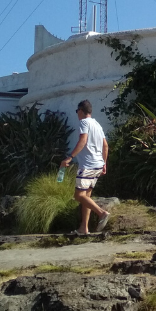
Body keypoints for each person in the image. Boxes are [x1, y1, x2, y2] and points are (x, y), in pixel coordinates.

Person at [60, 100, 111, 234]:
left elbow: (83, 140)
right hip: (98, 165)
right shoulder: (97, 125)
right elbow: (105, 146)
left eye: (77, 111)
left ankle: (102, 213)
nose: (77, 114)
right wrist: (104, 163)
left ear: (81, 111)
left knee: (78, 196)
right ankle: (84, 228)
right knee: (86, 196)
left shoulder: (84, 123)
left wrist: (70, 157)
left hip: (88, 165)